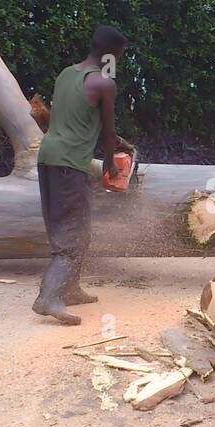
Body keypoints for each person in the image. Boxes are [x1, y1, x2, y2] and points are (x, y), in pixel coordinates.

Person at [32, 25, 133, 325]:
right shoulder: (104, 83)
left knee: (72, 228)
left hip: (48, 156)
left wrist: (118, 144)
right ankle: (48, 298)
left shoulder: (66, 74)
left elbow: (76, 117)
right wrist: (111, 164)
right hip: (70, 163)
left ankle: (71, 287)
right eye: (120, 55)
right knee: (72, 235)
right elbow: (107, 129)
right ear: (112, 53)